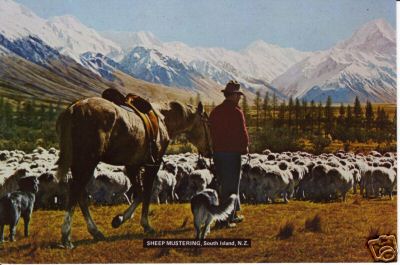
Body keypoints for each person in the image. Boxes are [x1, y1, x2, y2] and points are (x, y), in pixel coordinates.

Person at [209, 80, 249, 228]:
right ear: (232, 95)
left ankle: (231, 215)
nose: (239, 98)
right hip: (232, 154)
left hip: (218, 153)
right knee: (232, 186)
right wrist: (245, 147)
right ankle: (225, 219)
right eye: (238, 95)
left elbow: (210, 131)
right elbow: (242, 133)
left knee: (222, 184)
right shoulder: (236, 112)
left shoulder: (215, 111)